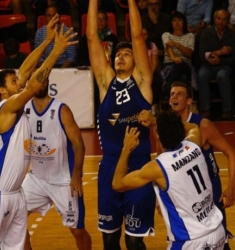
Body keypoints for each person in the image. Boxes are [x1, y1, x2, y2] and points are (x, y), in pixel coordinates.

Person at [0, 15, 78, 250]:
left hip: (16, 194)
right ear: (2, 90)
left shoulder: (15, 102)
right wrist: (56, 51)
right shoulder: (6, 107)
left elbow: (26, 71)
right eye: (12, 81)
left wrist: (46, 40)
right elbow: (34, 84)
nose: (18, 81)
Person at [87, 0, 155, 248]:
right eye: (117, 54)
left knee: (134, 243)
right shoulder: (106, 84)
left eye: (127, 54)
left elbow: (137, 36)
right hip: (110, 166)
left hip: (139, 167)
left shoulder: (142, 81)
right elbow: (92, 38)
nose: (121, 57)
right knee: (109, 240)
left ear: (136, 61)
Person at [138, 81, 235, 250]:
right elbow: (160, 161)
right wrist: (159, 201)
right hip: (182, 191)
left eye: (179, 94)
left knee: (219, 240)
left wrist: (231, 187)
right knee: (190, 236)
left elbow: (231, 153)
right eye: (171, 94)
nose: (174, 97)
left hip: (208, 188)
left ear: (190, 101)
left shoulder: (203, 125)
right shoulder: (163, 128)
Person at [112, 111, 225, 249]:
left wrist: (126, 148)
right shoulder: (194, 143)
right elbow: (193, 126)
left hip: (190, 241)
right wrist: (157, 121)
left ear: (158, 136)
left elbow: (117, 183)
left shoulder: (158, 167)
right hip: (217, 232)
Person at [22, 78, 92, 249]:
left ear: (47, 83)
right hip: (36, 178)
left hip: (63, 180)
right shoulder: (24, 108)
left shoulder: (61, 110)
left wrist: (76, 175)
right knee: (15, 216)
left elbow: (79, 145)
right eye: (34, 81)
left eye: (42, 80)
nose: (39, 84)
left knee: (77, 230)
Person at [198, 9, 235, 118]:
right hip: (208, 65)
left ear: (228, 21)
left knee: (222, 75)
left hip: (225, 65)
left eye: (224, 20)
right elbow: (201, 55)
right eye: (219, 19)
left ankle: (227, 109)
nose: (221, 22)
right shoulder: (206, 33)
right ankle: (206, 109)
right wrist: (219, 52)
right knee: (201, 75)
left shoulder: (232, 35)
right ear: (215, 19)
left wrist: (220, 61)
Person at [161, 11, 195, 97]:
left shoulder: (190, 35)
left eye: (179, 20)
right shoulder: (166, 35)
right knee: (182, 78)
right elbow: (168, 46)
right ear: (171, 23)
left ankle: (168, 88)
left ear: (184, 22)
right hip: (170, 65)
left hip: (186, 65)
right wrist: (173, 58)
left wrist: (176, 44)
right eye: (174, 20)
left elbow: (189, 53)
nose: (177, 23)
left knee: (181, 63)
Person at [35, 4, 77, 68]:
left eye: (54, 15)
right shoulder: (39, 32)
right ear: (45, 17)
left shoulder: (68, 32)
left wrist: (60, 71)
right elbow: (37, 56)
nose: (52, 18)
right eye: (49, 16)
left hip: (63, 66)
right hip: (44, 66)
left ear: (59, 16)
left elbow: (71, 57)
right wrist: (45, 69)